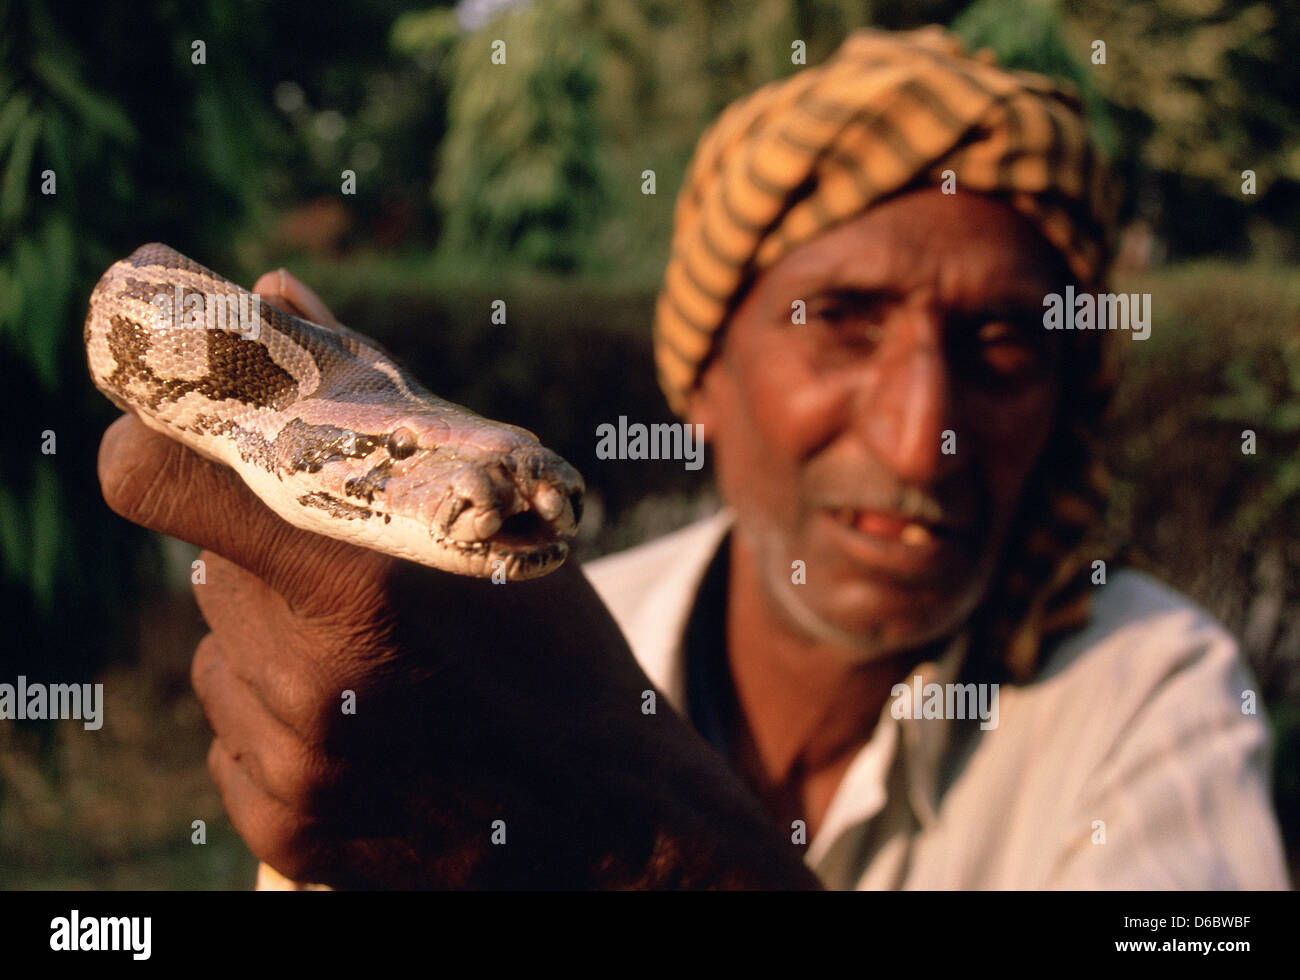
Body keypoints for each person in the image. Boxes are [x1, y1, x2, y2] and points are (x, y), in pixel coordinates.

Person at [96, 27, 1289, 889]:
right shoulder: (494, 645)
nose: (921, 430)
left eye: (1003, 343)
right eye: (844, 322)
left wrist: (642, 842)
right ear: (699, 370)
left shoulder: (1157, 698)